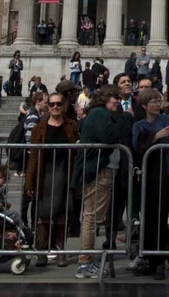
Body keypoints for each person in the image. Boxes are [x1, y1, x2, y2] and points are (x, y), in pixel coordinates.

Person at [76, 85, 132, 278]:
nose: (117, 101)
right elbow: (108, 136)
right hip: (98, 170)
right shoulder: (100, 113)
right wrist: (126, 117)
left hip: (101, 169)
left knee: (94, 217)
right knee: (92, 217)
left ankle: (88, 258)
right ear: (105, 98)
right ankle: (85, 262)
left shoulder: (99, 113)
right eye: (114, 97)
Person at [25, 89, 80, 267]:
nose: (55, 107)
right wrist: (29, 181)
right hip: (45, 173)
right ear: (47, 106)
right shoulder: (39, 128)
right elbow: (33, 156)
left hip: (64, 172)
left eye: (58, 104)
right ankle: (41, 250)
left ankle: (60, 251)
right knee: (44, 214)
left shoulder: (71, 126)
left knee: (62, 215)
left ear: (64, 106)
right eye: (52, 104)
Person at [131, 88, 169, 275]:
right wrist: (156, 137)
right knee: (148, 217)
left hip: (164, 174)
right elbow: (136, 146)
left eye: (159, 101)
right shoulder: (138, 125)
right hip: (146, 175)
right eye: (153, 102)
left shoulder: (166, 120)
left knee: (161, 216)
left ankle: (160, 258)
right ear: (144, 105)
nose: (158, 104)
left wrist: (149, 140)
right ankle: (149, 257)